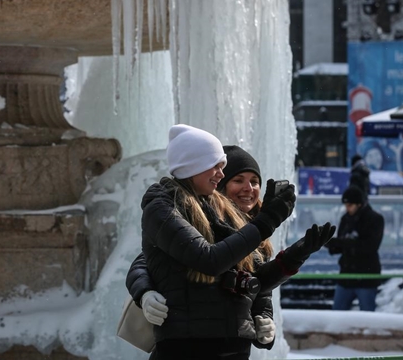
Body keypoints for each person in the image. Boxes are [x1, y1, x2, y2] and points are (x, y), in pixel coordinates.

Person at [127, 142, 335, 358]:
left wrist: (295, 256)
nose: (249, 188)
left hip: (234, 345)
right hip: (189, 344)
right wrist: (144, 292)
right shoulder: (203, 219)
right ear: (220, 186)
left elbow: (257, 287)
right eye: (238, 180)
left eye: (255, 182)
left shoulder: (254, 233)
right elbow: (145, 261)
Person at [327, 185, 384, 311]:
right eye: (346, 205)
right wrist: (329, 244)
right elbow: (343, 245)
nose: (347, 209)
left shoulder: (375, 219)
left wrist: (342, 243)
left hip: (366, 276)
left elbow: (370, 246)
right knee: (337, 314)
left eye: (350, 205)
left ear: (359, 204)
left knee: (367, 314)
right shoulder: (346, 219)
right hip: (346, 275)